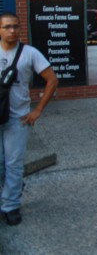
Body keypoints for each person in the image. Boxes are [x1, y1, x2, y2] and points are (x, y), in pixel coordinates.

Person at [0, 12, 58, 225]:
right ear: (0, 29)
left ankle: (10, 205)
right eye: (6, 27)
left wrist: (38, 110)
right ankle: (11, 191)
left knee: (13, 164)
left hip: (19, 118)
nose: (12, 31)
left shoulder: (30, 53)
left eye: (15, 26)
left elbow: (52, 80)